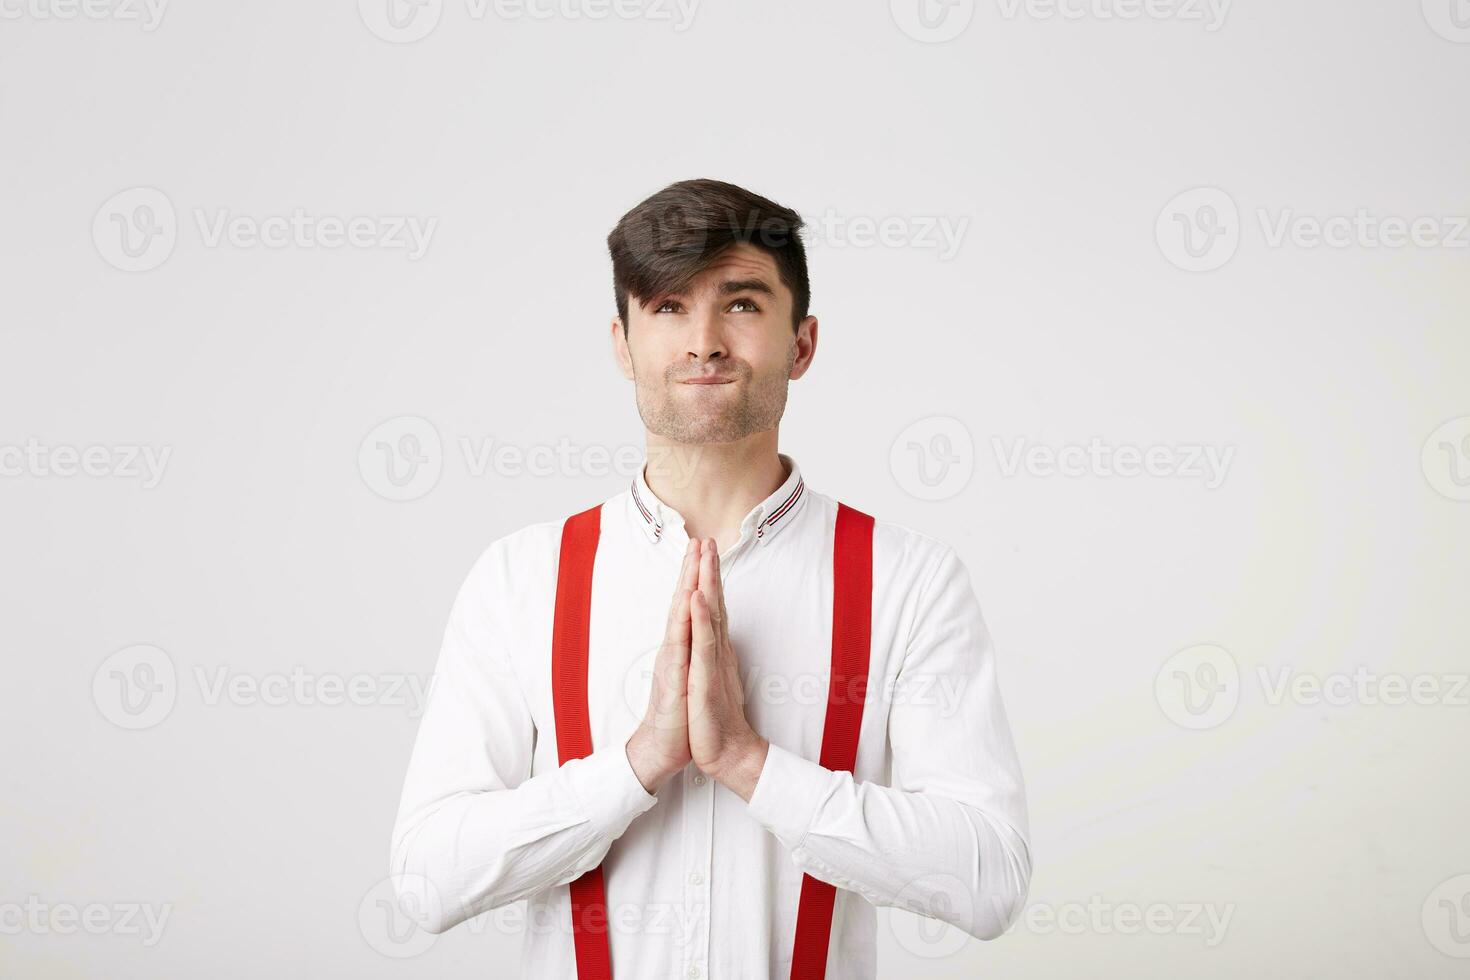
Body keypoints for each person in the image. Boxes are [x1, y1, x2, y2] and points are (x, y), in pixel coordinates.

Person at [389, 178, 1031, 979]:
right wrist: (635, 765)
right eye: (666, 307)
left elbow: (990, 881)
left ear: (802, 343)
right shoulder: (522, 578)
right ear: (622, 344)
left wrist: (750, 764)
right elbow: (426, 878)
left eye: (741, 304)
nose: (703, 343)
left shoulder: (911, 580)